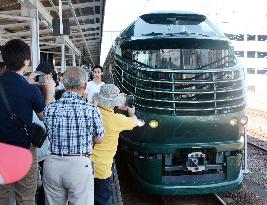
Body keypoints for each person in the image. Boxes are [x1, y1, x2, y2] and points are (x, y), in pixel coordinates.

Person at [0, 39, 55, 205]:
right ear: (26, 61)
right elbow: (44, 116)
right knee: (25, 198)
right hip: (24, 151)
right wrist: (49, 94)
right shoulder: (30, 89)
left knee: (2, 198)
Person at [43, 66, 105, 205]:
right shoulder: (91, 109)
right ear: (84, 86)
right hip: (79, 165)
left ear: (64, 84)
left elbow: (46, 125)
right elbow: (100, 139)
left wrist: (49, 94)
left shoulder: (50, 108)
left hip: (52, 164)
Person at [92, 84, 145, 205]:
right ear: (114, 102)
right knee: (102, 200)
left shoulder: (91, 110)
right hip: (102, 168)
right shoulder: (117, 119)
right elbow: (138, 123)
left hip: (84, 164)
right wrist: (131, 113)